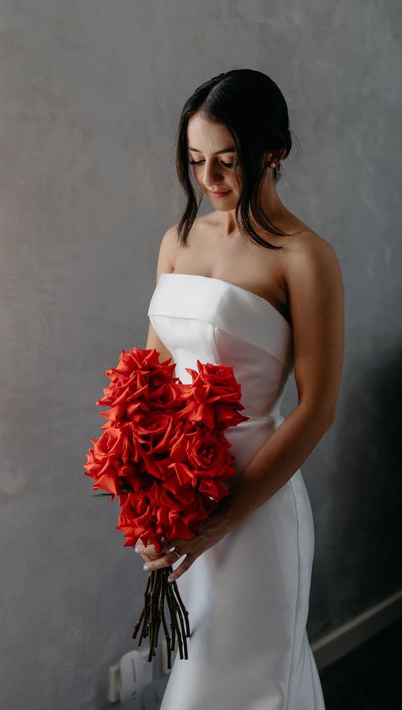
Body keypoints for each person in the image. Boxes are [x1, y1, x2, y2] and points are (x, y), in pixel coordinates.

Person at [136, 68, 344, 709]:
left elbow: (316, 409)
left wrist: (221, 520)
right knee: (197, 677)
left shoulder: (303, 257)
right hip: (185, 504)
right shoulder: (178, 241)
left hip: (255, 509)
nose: (209, 180)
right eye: (196, 161)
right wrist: (149, 499)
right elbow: (149, 386)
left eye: (227, 161)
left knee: (248, 686)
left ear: (273, 152)